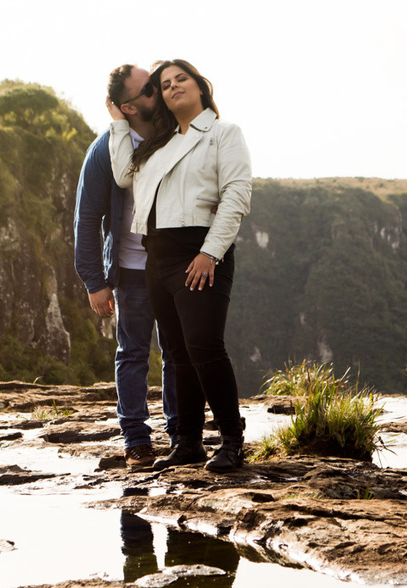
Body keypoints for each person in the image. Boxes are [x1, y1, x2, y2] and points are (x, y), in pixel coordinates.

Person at [108, 59, 251, 472]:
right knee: (177, 352)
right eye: (165, 84)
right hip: (158, 256)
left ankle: (232, 441)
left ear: (201, 86)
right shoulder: (160, 143)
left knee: (205, 347)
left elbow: (236, 195)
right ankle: (188, 443)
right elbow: (124, 175)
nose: (172, 87)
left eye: (181, 79)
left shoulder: (224, 134)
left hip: (199, 252)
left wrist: (210, 253)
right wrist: (118, 122)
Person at [74, 64, 178, 470]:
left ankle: (180, 434)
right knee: (133, 353)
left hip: (174, 265)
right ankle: (136, 441)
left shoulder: (177, 134)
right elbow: (86, 218)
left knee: (178, 352)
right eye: (149, 89)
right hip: (132, 269)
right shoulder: (104, 150)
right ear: (129, 107)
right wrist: (94, 281)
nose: (159, 91)